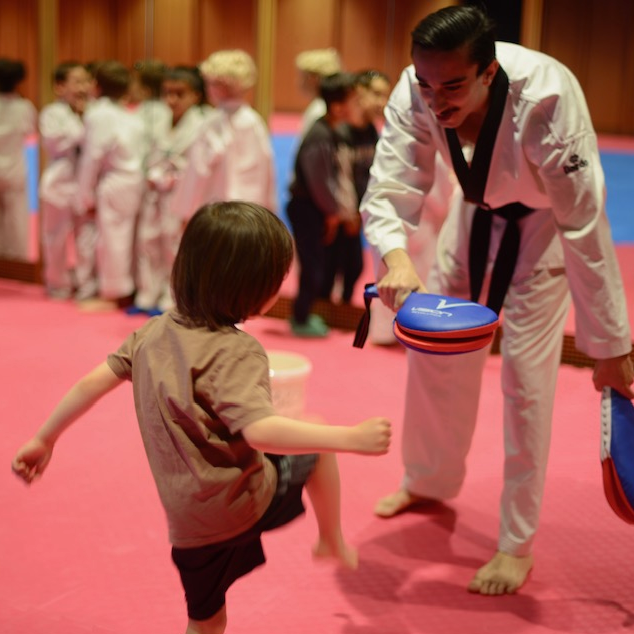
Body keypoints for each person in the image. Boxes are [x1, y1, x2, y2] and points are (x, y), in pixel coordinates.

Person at [11, 200, 392, 634]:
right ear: (254, 290)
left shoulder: (152, 332)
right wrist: (351, 438)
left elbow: (90, 384)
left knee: (207, 622)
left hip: (188, 525)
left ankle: (329, 542)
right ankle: (331, 540)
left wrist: (45, 438)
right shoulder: (238, 351)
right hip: (241, 503)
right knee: (319, 433)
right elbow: (262, 432)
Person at [360, 5, 634, 596]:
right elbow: (391, 184)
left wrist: (611, 347)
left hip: (544, 235)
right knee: (434, 357)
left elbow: (586, 226)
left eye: (453, 85)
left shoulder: (549, 99)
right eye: (427, 83)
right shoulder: (417, 86)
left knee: (527, 383)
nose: (436, 99)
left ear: (488, 71)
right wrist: (397, 255)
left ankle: (516, 543)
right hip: (469, 220)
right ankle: (429, 480)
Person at [287, 72, 364, 337]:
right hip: (308, 209)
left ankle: (306, 313)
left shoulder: (334, 130)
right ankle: (300, 317)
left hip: (318, 209)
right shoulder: (320, 135)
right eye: (355, 100)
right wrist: (333, 213)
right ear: (338, 106)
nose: (358, 106)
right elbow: (319, 182)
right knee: (311, 265)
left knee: (320, 263)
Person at [128, 65, 207, 315]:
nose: (171, 99)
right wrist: (152, 174)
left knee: (174, 247)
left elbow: (198, 167)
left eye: (179, 93)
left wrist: (170, 176)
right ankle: (146, 295)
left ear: (195, 95)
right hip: (154, 191)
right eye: (167, 93)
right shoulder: (157, 117)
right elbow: (146, 153)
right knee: (147, 242)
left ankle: (171, 299)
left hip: (180, 195)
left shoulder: (203, 124)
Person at [172, 50, 277, 223]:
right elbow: (266, 172)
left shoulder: (213, 123)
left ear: (222, 86)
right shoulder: (253, 122)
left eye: (210, 83)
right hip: (250, 211)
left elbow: (198, 170)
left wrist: (187, 212)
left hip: (216, 211)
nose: (208, 89)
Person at [75, 60, 145, 308]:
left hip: (115, 179)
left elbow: (92, 158)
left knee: (112, 238)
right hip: (134, 180)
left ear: (96, 85)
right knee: (126, 236)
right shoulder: (131, 115)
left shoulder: (99, 114)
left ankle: (113, 294)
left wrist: (84, 196)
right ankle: (124, 288)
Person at [39, 61, 94, 300]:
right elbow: (56, 143)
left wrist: (84, 116)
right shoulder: (51, 113)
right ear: (60, 87)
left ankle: (85, 284)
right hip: (58, 185)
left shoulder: (93, 112)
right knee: (56, 237)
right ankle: (57, 283)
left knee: (86, 238)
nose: (83, 88)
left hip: (84, 184)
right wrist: (80, 121)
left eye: (86, 81)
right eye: (77, 82)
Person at [0, 58, 37, 260]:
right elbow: (30, 136)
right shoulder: (24, 107)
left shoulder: (23, 106)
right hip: (15, 171)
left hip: (13, 170)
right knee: (16, 222)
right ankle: (17, 264)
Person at [295, 48, 342, 139]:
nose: (298, 82)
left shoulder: (319, 110)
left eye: (302, 76)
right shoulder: (329, 106)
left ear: (314, 78)